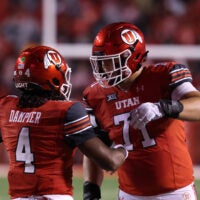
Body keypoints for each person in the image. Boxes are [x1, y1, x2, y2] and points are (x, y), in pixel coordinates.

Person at [82, 22, 200, 200]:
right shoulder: (96, 95)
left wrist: (163, 107)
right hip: (129, 194)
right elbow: (95, 148)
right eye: (101, 63)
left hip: (175, 193)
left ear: (132, 56)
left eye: (109, 62)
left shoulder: (163, 76)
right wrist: (91, 192)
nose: (103, 70)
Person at [0, 45, 128, 200]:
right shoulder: (66, 111)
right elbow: (110, 162)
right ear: (51, 75)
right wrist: (124, 148)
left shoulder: (5, 107)